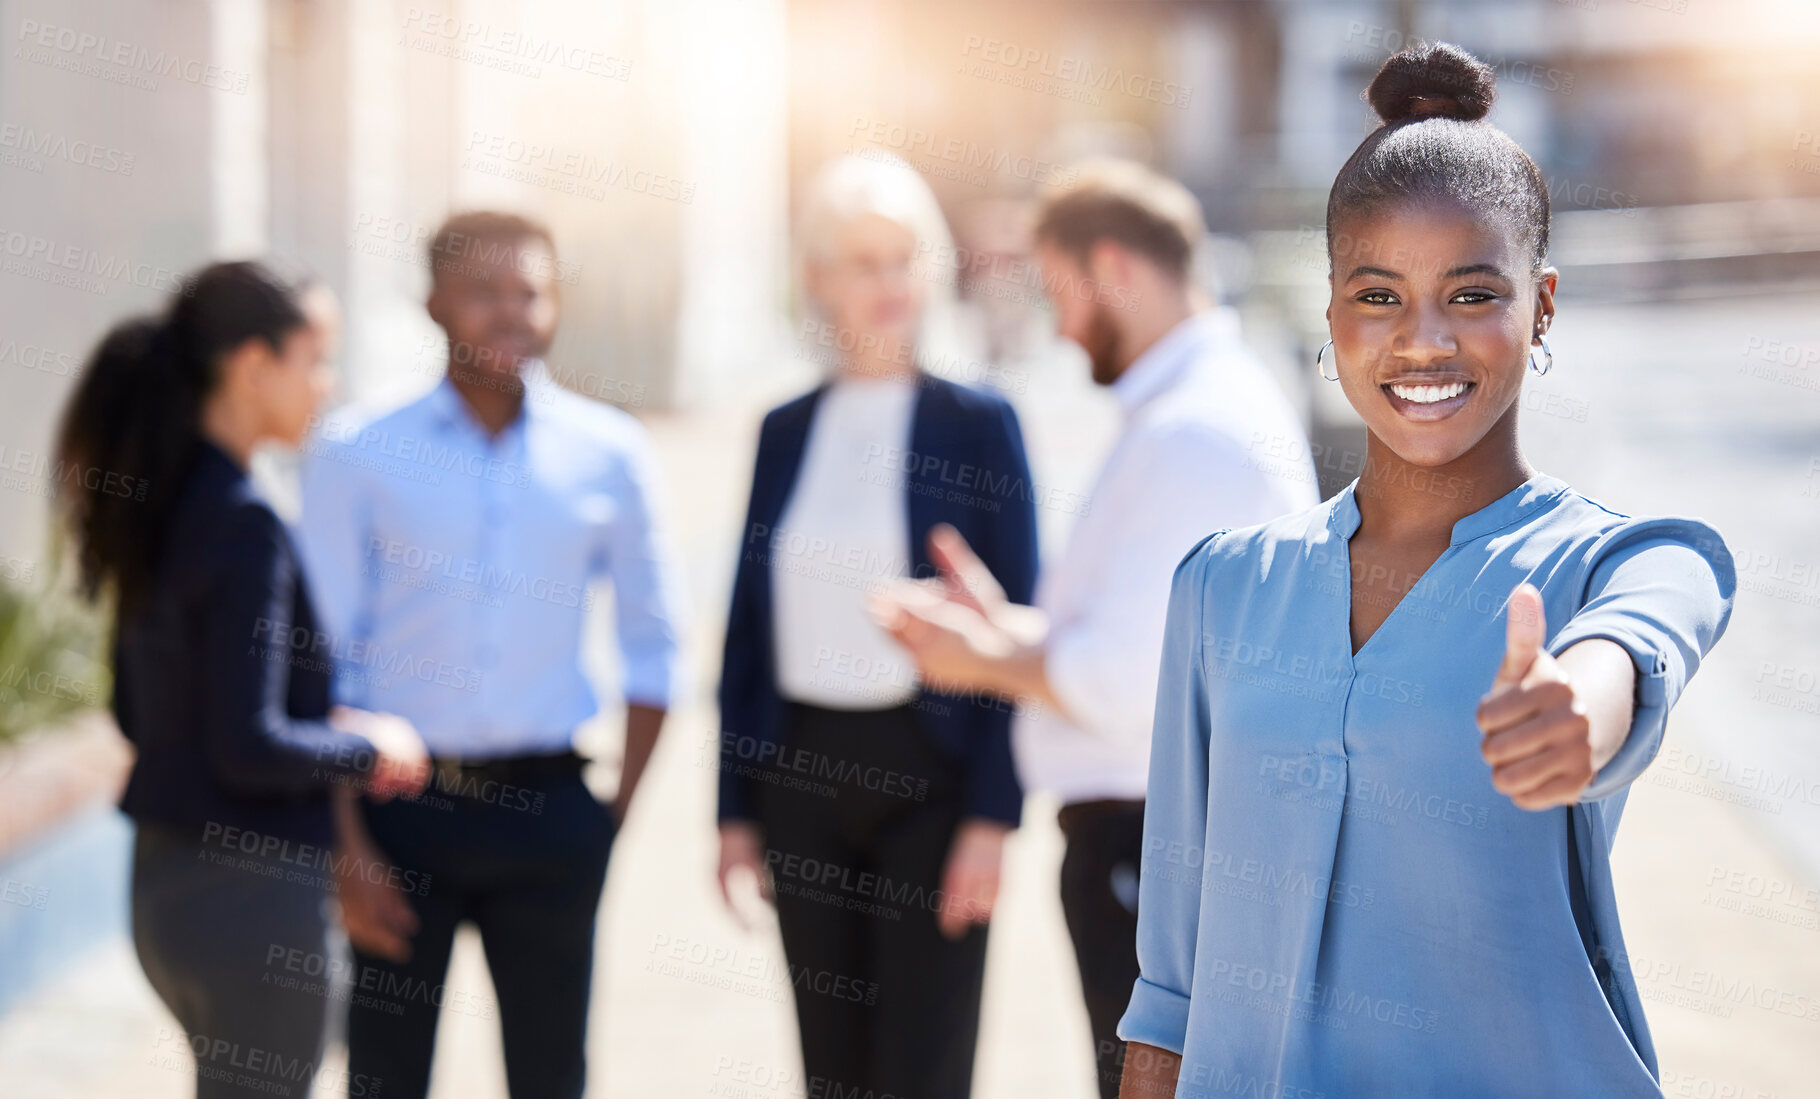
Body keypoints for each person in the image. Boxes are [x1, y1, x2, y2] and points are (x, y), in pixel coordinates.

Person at [1112, 44, 1736, 1098]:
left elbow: (1648, 629)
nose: (1422, 341)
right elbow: (1168, 986)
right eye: (1377, 295)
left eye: (1470, 292)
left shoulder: (1612, 563)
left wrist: (1579, 705)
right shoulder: (1218, 587)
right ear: (1329, 315)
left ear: (1539, 305)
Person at [871, 159, 1318, 1098]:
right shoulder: (1194, 409)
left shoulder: (1194, 429)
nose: (1060, 323)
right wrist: (1007, 627)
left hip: (1155, 845)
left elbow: (1125, 682)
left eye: (1060, 291)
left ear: (1112, 267)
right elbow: (1147, 639)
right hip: (1158, 841)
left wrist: (979, 656)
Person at [296, 212, 687, 1099]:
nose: (511, 314)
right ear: (432, 302)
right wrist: (344, 845)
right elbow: (315, 659)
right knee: (385, 1078)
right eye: (483, 293)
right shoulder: (360, 451)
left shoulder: (610, 452)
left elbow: (657, 644)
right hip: (396, 814)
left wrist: (607, 821)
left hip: (550, 812)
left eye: (531, 292)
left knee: (553, 1079)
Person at [53, 261, 429, 1099]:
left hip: (166, 899)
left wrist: (310, 713)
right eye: (316, 359)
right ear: (253, 367)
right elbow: (248, 747)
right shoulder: (246, 519)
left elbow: (136, 706)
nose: (327, 385)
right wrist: (370, 746)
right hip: (253, 906)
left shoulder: (168, 499)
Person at [714, 154, 1039, 1099]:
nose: (889, 281)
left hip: (931, 784)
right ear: (816, 275)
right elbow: (746, 626)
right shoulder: (783, 426)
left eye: (906, 257)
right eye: (862, 259)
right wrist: (733, 809)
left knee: (925, 1070)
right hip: (801, 776)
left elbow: (1016, 625)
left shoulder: (980, 423)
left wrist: (992, 814)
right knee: (832, 1070)